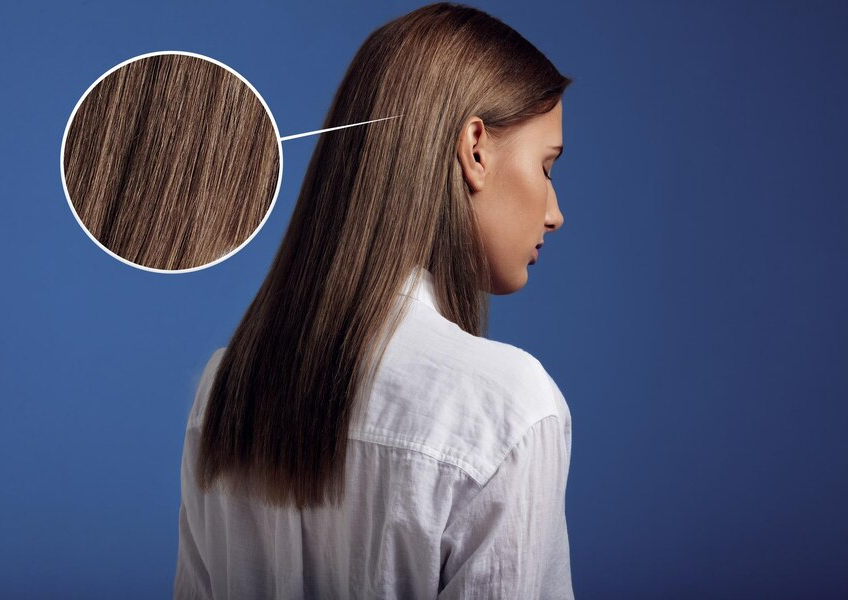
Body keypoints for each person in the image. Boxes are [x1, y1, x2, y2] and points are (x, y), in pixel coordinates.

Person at [174, 3, 574, 598]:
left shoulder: (225, 387)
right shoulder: (507, 409)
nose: (554, 213)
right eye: (546, 166)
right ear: (476, 149)